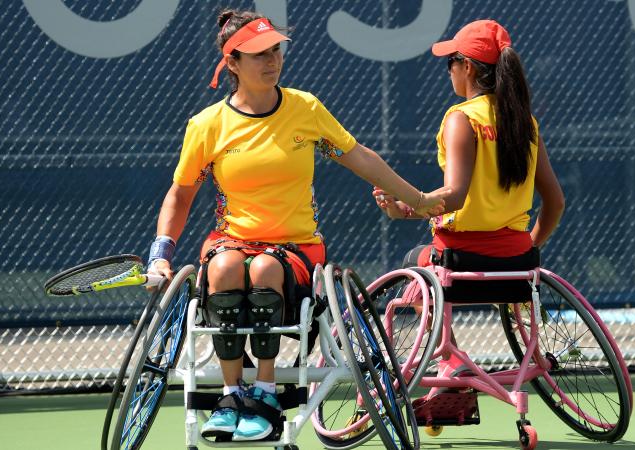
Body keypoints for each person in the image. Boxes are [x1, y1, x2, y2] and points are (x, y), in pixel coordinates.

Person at [146, 8, 447, 442]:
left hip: (296, 248)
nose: (272, 61)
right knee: (224, 269)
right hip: (232, 242)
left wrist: (418, 199)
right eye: (257, 55)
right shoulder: (207, 126)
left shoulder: (305, 109)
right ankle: (232, 395)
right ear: (232, 64)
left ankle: (266, 394)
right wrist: (161, 256)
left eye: (275, 51)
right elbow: (180, 195)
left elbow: (358, 156)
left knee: (265, 269)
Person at [374, 19, 565, 383]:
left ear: (468, 67)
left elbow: (455, 198)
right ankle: (456, 362)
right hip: (518, 266)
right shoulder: (526, 124)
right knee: (433, 257)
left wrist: (406, 204)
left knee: (414, 263)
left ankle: (450, 356)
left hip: (461, 264)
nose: (448, 72)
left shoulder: (461, 119)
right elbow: (555, 203)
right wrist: (527, 251)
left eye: (451, 63)